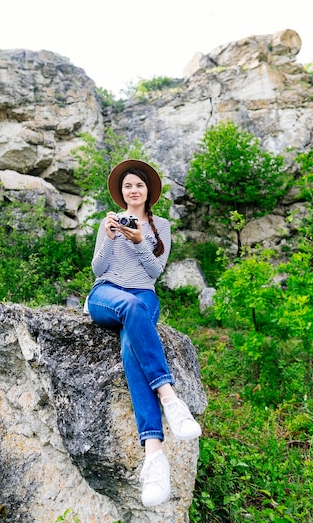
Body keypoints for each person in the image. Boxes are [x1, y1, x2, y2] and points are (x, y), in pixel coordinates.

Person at [85, 159, 201, 508]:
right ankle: (170, 398)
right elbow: (97, 268)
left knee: (129, 348)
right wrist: (109, 237)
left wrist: (138, 239)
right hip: (107, 294)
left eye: (138, 185)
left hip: (143, 294)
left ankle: (154, 455)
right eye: (127, 187)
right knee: (130, 309)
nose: (132, 190)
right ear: (121, 195)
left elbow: (154, 270)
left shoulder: (161, 226)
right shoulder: (108, 221)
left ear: (147, 191)